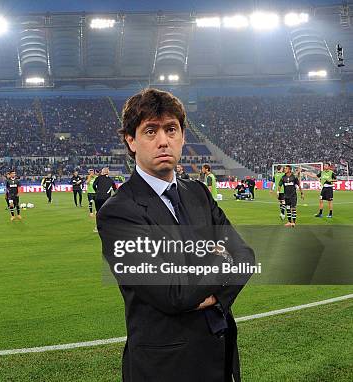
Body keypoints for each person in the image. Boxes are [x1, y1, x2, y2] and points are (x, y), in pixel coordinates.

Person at [97, 88, 254, 382]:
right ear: (131, 140)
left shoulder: (198, 193)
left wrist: (215, 298)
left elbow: (245, 256)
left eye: (171, 129)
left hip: (220, 357)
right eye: (150, 131)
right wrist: (221, 264)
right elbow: (173, 293)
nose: (163, 140)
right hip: (166, 366)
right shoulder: (118, 212)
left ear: (182, 136)